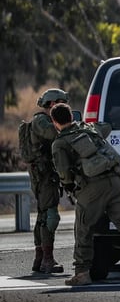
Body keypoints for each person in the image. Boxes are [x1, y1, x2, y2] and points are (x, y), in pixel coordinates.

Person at [49, 103, 120, 286]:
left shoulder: (60, 143)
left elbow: (64, 173)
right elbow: (106, 127)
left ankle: (82, 273)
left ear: (55, 122)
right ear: (72, 117)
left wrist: (70, 187)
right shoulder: (90, 129)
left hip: (92, 188)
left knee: (83, 229)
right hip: (115, 180)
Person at [24, 88, 67, 274]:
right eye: (60, 103)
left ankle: (40, 259)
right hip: (45, 176)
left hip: (44, 175)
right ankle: (48, 260)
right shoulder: (41, 121)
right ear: (52, 103)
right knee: (51, 216)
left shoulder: (42, 120)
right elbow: (56, 134)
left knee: (42, 216)